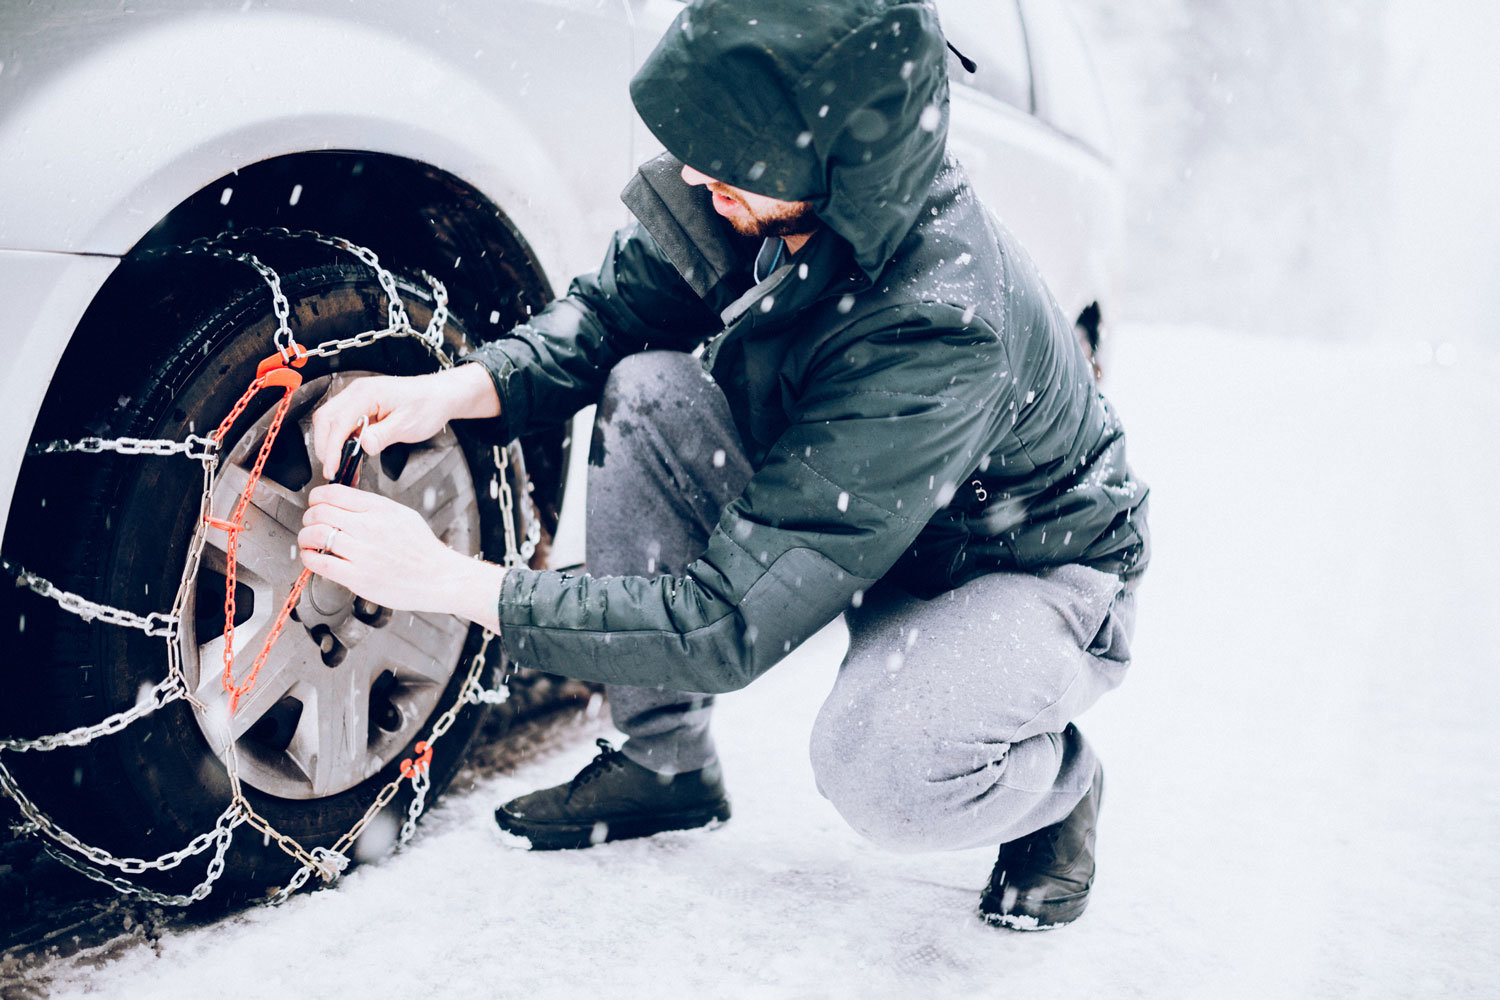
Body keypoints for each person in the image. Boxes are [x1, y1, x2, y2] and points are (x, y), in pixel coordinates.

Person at [298, 0, 1148, 931]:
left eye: (731, 158)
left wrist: (447, 582)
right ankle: (667, 764)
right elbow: (611, 316)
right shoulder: (762, 191)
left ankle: (1059, 790)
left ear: (836, 161)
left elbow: (725, 620)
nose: (698, 172)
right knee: (650, 388)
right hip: (873, 523)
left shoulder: (937, 322)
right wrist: (455, 389)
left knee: (882, 771)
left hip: (1018, 570)